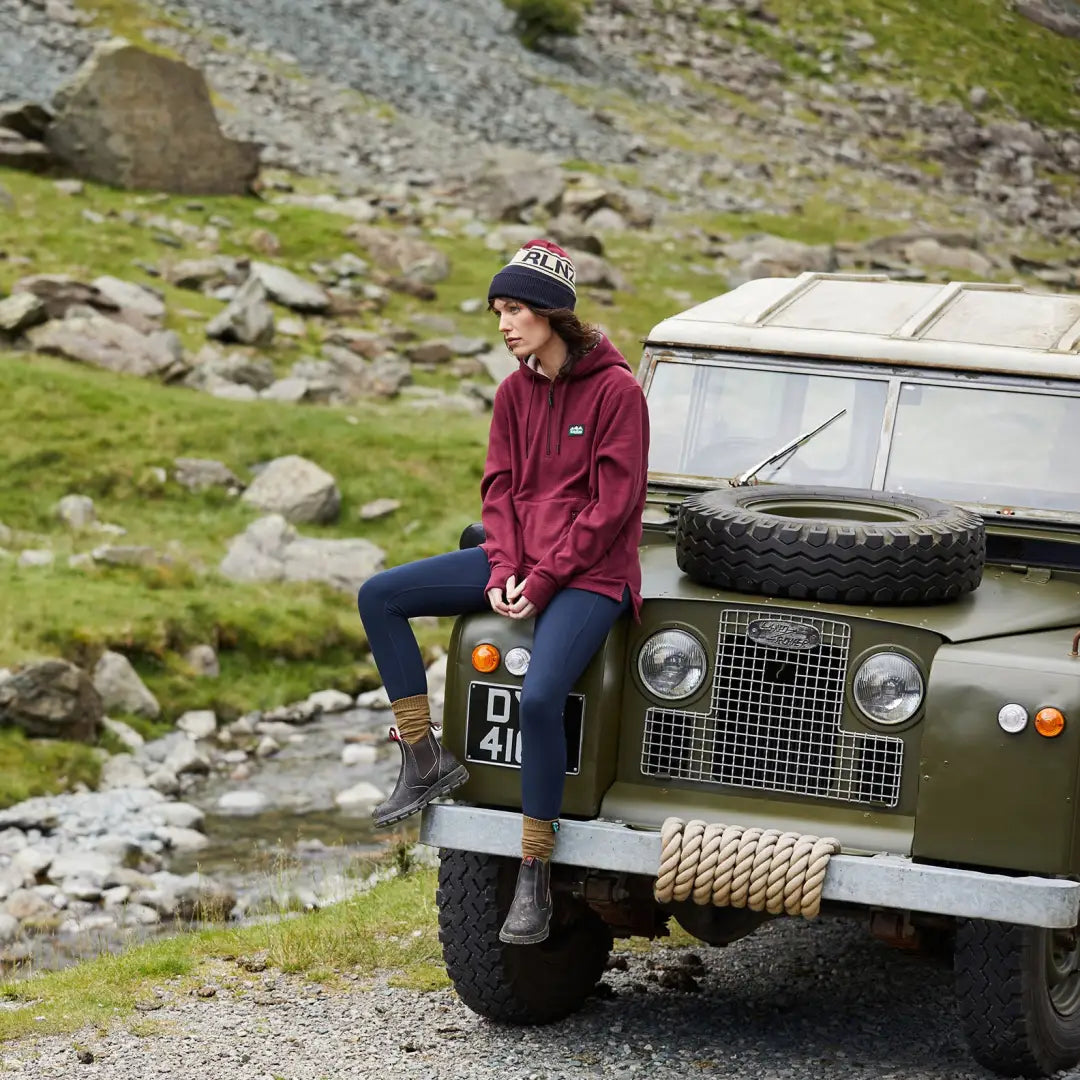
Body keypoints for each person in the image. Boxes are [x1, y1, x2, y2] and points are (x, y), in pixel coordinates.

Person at [356, 239, 650, 944]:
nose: (504, 324)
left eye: (515, 308)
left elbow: (612, 507)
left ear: (552, 312)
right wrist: (501, 570)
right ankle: (425, 758)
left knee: (542, 697)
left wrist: (543, 578)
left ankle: (534, 872)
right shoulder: (515, 391)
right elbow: (500, 489)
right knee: (379, 595)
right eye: (498, 311)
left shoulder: (618, 393)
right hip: (517, 558)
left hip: (592, 573)